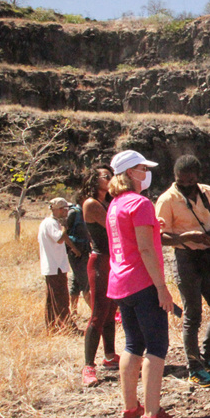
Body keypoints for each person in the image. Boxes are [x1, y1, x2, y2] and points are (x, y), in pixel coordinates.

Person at [107, 150, 187, 418]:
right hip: (143, 283)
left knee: (132, 344)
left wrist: (155, 228)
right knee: (156, 347)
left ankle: (131, 410)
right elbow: (144, 249)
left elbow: (132, 239)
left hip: (121, 284)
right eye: (142, 168)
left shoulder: (115, 204)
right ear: (131, 173)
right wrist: (162, 288)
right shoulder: (139, 203)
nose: (146, 173)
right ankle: (152, 417)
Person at [156, 155, 210, 388]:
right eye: (181, 180)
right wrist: (186, 237)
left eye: (190, 180)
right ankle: (194, 368)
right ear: (175, 177)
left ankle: (206, 359)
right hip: (186, 259)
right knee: (192, 316)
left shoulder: (207, 192)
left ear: (197, 177)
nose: (186, 184)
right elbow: (159, 237)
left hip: (208, 256)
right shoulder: (167, 200)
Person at [80, 165, 119, 387]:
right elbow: (115, 226)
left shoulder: (106, 202)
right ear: (95, 181)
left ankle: (110, 356)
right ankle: (88, 366)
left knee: (111, 310)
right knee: (98, 313)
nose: (110, 179)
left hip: (111, 261)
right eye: (106, 176)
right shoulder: (92, 204)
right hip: (100, 262)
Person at [38, 198, 81, 333]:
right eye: (65, 209)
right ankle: (68, 327)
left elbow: (63, 239)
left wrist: (74, 249)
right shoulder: (51, 223)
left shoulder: (51, 223)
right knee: (60, 297)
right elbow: (60, 238)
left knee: (52, 298)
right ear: (59, 209)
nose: (66, 212)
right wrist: (65, 226)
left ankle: (53, 327)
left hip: (54, 265)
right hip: (55, 266)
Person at [66, 196, 91, 316]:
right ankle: (97, 313)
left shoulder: (84, 212)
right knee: (85, 282)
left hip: (84, 251)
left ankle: (74, 311)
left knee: (76, 281)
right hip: (76, 253)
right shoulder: (73, 213)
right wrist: (74, 249)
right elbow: (64, 233)